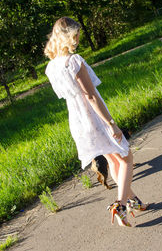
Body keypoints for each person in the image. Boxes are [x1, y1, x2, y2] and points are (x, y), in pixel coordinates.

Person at [44, 17, 148, 227]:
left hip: (78, 121)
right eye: (76, 34)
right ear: (69, 36)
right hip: (94, 118)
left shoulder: (51, 67)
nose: (78, 38)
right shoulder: (73, 61)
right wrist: (111, 123)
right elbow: (90, 96)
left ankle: (133, 201)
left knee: (114, 160)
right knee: (127, 157)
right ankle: (120, 205)